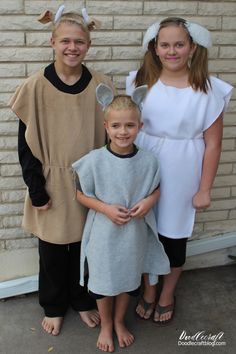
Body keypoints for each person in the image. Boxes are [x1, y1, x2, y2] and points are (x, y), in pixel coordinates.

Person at [8, 5, 114, 336]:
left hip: (89, 182)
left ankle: (82, 299)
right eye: (65, 41)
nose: (72, 47)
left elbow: (112, 136)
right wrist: (36, 187)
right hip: (51, 180)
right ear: (53, 42)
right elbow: (25, 145)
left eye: (79, 42)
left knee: (85, 247)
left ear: (88, 45)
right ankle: (53, 305)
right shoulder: (35, 86)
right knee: (52, 249)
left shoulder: (100, 86)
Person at [126, 17, 233, 325]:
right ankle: (149, 289)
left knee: (173, 237)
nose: (172, 51)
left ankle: (167, 292)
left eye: (179, 44)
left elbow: (213, 145)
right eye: (165, 45)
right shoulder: (140, 82)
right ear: (155, 48)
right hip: (144, 165)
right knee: (145, 233)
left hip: (183, 168)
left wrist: (205, 188)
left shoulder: (208, 90)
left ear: (191, 47)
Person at [72, 84, 170, 352]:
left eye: (129, 125)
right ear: (106, 126)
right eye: (116, 126)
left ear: (140, 126)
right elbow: (81, 195)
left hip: (133, 234)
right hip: (104, 233)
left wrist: (149, 201)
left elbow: (157, 188)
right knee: (104, 282)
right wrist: (105, 208)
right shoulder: (94, 160)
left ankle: (118, 321)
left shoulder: (149, 161)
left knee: (128, 279)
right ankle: (105, 325)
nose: (123, 132)